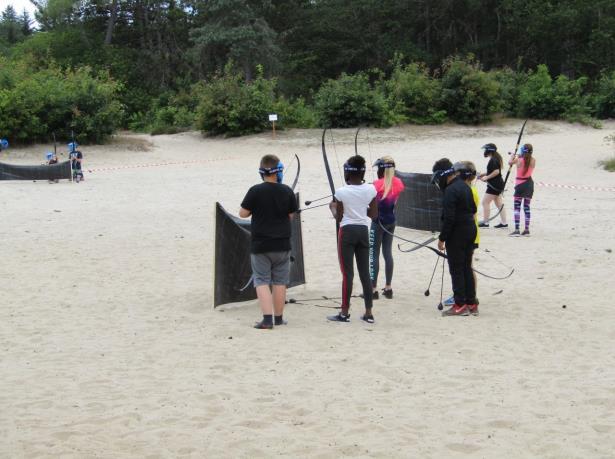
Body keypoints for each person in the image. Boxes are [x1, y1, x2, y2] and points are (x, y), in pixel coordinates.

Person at [239, 155, 298, 329]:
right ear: (278, 172)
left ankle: (267, 319)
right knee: (280, 281)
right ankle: (278, 318)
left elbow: (243, 213)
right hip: (282, 244)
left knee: (262, 281)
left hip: (261, 245)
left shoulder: (255, 190)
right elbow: (290, 215)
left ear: (261, 172)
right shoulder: (287, 191)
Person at [328, 155, 378, 324]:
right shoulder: (371, 190)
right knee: (365, 273)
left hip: (347, 232)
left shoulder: (341, 192)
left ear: (347, 172)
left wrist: (332, 207)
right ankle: (369, 313)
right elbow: (373, 214)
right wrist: (362, 206)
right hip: (363, 230)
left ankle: (344, 313)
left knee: (347, 274)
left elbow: (339, 217)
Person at [432, 159, 478, 317]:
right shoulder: (465, 186)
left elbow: (449, 219)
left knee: (457, 269)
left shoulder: (450, 191)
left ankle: (460, 305)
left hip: (457, 233)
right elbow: (473, 208)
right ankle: (472, 303)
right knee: (466, 267)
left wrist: (442, 238)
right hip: (470, 230)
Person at [370, 156, 405, 299]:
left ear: (381, 170)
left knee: (374, 254)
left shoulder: (375, 185)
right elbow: (393, 202)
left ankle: (373, 289)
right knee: (387, 253)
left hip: (378, 223)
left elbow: (372, 207)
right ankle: (388, 287)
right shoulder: (399, 183)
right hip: (391, 220)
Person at [478, 143, 508, 228]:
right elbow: (493, 171)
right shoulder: (495, 158)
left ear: (489, 151)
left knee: (485, 202)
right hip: (498, 184)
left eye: (485, 150)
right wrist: (483, 174)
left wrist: (486, 177)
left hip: (494, 185)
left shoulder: (493, 160)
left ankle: (485, 223)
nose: (484, 151)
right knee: (499, 203)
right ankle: (504, 223)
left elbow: (496, 172)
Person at [508, 143, 536, 236]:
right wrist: (519, 156)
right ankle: (527, 230)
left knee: (517, 208)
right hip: (529, 184)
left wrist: (512, 156)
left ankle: (517, 229)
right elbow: (527, 160)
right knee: (526, 208)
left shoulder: (519, 160)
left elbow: (510, 162)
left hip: (520, 184)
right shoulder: (533, 160)